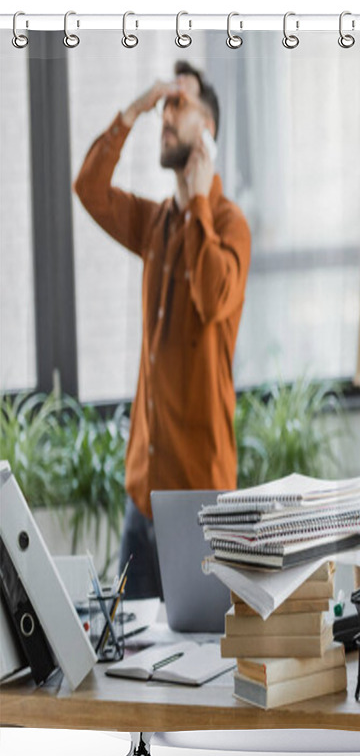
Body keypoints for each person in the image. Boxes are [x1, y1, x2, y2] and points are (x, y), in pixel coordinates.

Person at [74, 61, 251, 598]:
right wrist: (133, 110)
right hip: (142, 495)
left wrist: (198, 198)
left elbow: (214, 295)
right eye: (164, 106)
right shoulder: (155, 224)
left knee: (202, 664)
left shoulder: (228, 224)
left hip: (200, 502)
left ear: (209, 130)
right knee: (130, 671)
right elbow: (89, 187)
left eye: (180, 106)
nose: (166, 117)